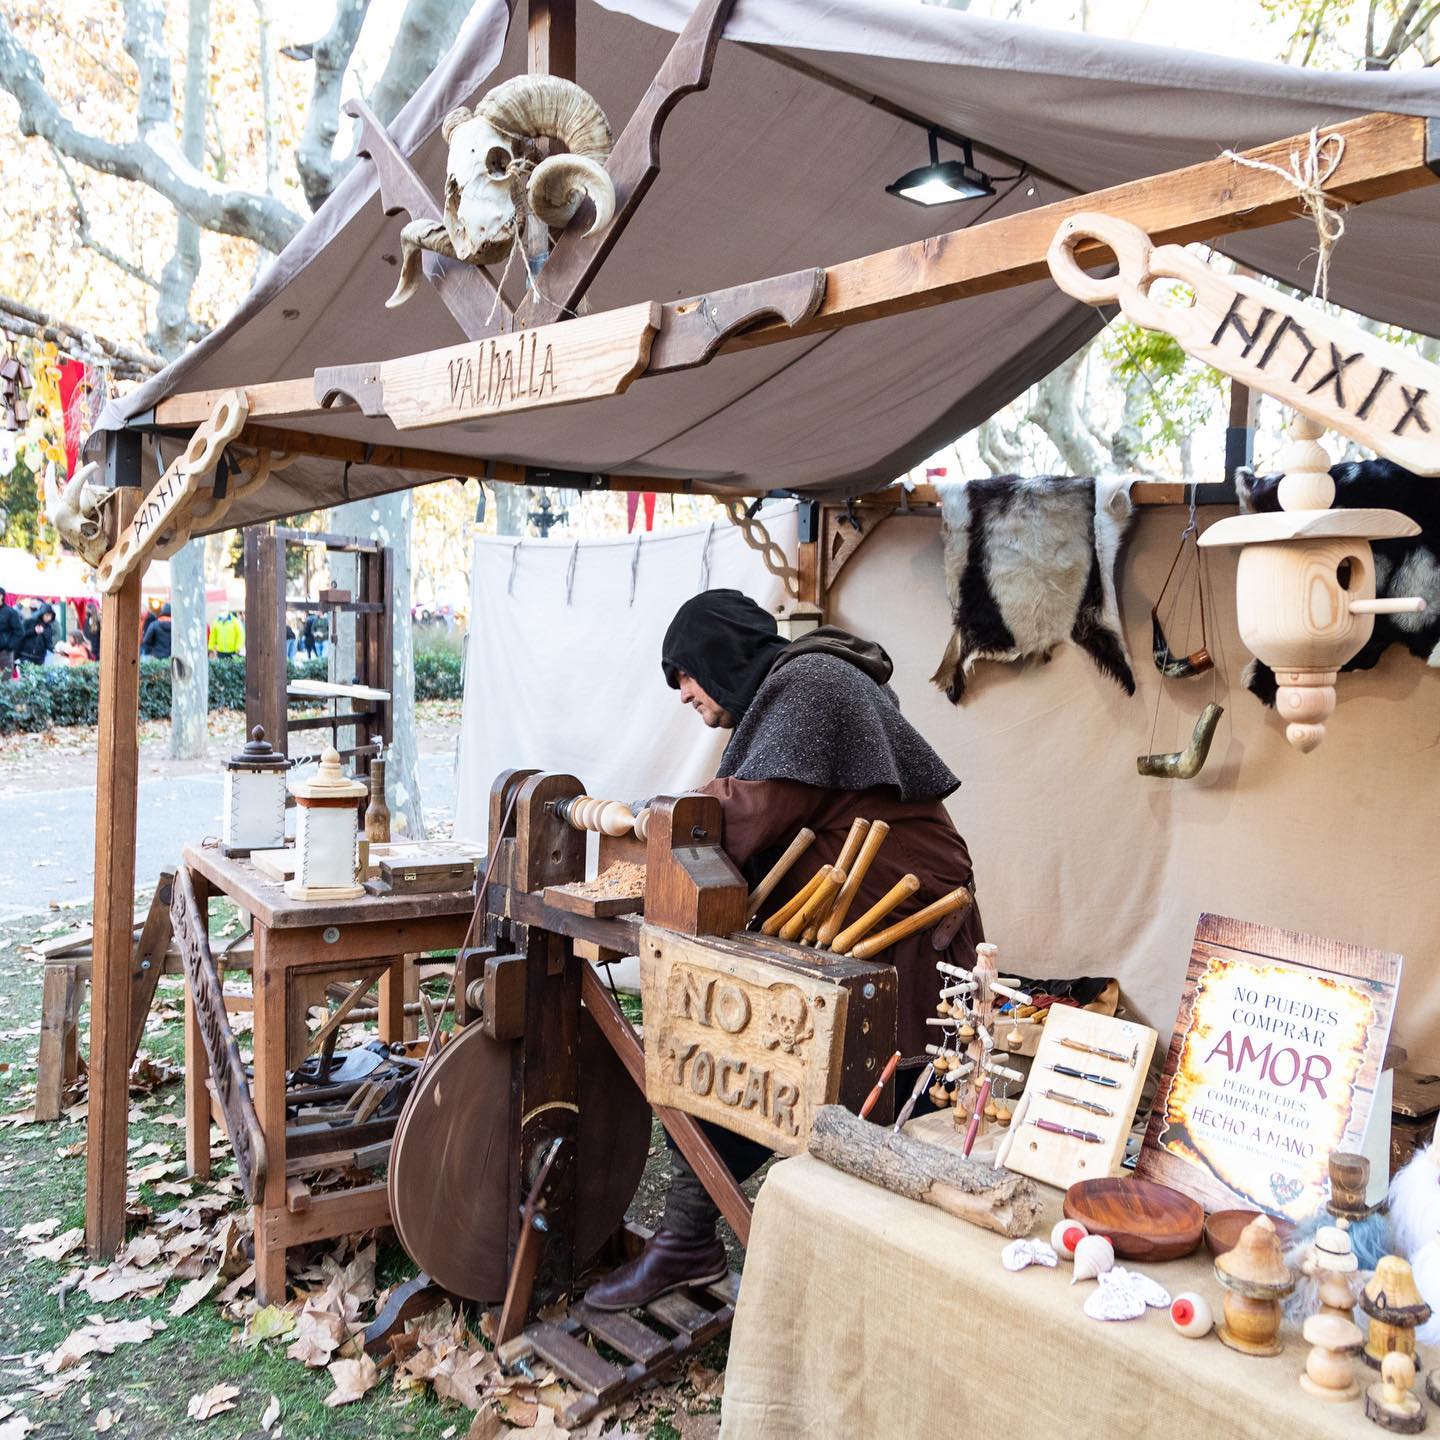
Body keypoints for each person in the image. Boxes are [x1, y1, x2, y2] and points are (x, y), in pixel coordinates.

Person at [585, 589, 984, 1309]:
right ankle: (691, 1238)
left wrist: (643, 829)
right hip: (847, 925)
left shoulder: (813, 686)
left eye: (683, 673)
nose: (682, 693)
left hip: (907, 931)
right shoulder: (796, 686)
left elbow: (745, 812)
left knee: (881, 1104)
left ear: (717, 657)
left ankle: (881, 1286)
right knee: (740, 1063)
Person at [16, 602, 56, 667]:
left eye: (50, 616)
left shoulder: (48, 627)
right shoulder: (29, 622)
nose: (49, 618)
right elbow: (21, 634)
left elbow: (48, 642)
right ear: (42, 614)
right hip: (26, 655)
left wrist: (54, 649)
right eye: (47, 615)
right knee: (26, 675)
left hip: (39, 658)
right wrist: (34, 631)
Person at [0, 595, 22, 678]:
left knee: (6, 678)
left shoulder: (11, 612)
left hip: (4, 651)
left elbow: (19, 632)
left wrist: (9, 646)